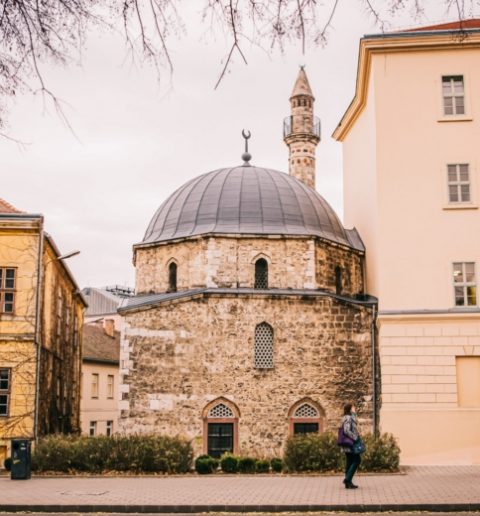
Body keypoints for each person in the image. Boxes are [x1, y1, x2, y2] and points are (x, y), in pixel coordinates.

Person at [340, 402, 361, 489]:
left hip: (348, 443)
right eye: (353, 407)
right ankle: (347, 479)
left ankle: (348, 483)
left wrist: (354, 414)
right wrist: (355, 437)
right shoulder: (348, 418)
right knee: (357, 460)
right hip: (350, 443)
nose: (354, 408)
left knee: (349, 462)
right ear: (350, 409)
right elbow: (346, 430)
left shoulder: (349, 417)